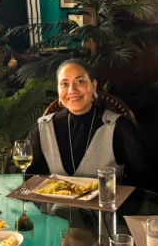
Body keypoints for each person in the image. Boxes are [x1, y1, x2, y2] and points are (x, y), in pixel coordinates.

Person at [26, 59, 148, 187]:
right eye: (64, 84)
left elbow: (143, 180)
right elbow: (27, 177)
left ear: (93, 86)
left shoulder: (119, 126)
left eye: (80, 81)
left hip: (108, 200)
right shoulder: (44, 127)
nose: (72, 90)